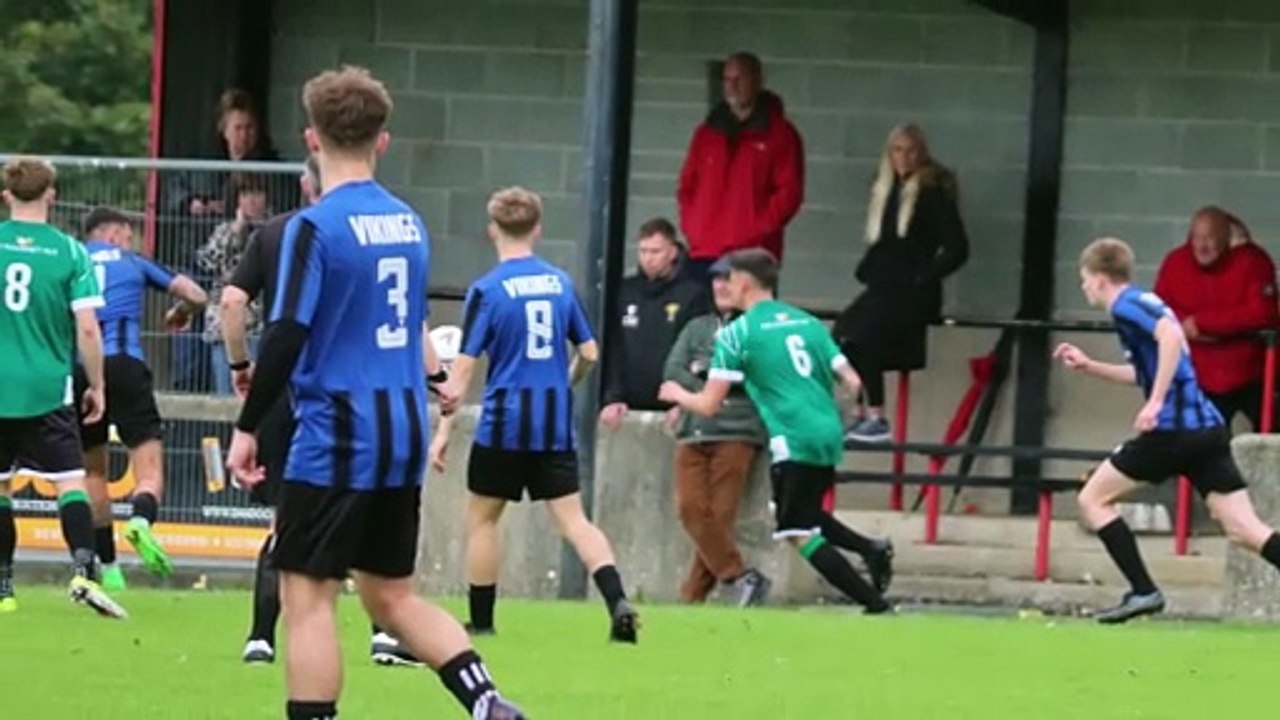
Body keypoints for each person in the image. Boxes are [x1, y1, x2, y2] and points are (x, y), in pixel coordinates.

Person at [225, 66, 525, 720]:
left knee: (307, 599)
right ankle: (489, 704)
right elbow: (406, 327)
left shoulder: (314, 227)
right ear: (382, 141)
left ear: (311, 138)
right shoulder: (409, 224)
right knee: (393, 597)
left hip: (335, 433)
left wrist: (247, 426)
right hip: (400, 433)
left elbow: (287, 333)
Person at [222, 157, 421, 668]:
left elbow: (233, 301)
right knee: (374, 527)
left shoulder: (283, 232)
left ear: (306, 180)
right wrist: (438, 378)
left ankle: (260, 635)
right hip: (376, 407)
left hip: (299, 398)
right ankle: (386, 636)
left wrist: (240, 364)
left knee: (290, 524)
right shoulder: (397, 224)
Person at [431, 186, 640, 643]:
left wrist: (442, 431)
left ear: (492, 231)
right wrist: (567, 383)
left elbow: (463, 371)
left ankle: (482, 622)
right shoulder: (560, 283)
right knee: (573, 520)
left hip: (504, 424)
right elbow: (588, 351)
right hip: (552, 427)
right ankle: (617, 601)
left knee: (483, 518)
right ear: (538, 229)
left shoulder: (487, 291)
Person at [1054, 237, 1280, 624]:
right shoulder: (1145, 301)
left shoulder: (1125, 305)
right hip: (1206, 430)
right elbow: (1150, 367)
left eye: (1085, 279)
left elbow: (1172, 338)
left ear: (1101, 278)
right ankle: (1143, 592)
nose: (1084, 287)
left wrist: (1156, 403)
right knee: (1245, 530)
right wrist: (1090, 366)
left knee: (1092, 499)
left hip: (1173, 432)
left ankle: (1144, 591)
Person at [659, 249, 894, 614]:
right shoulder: (808, 322)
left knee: (797, 531)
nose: (725, 286)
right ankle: (871, 549)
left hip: (792, 436)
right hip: (827, 431)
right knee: (798, 509)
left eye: (731, 279)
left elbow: (708, 405)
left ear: (747, 283)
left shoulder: (737, 334)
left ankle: (875, 604)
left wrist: (677, 394)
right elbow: (852, 382)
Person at [0, 157, 125, 619]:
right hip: (49, 388)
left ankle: (3, 589)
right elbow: (88, 328)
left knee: (1, 488)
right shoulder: (71, 252)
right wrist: (98, 384)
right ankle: (81, 569)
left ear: (6, 196)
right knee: (70, 481)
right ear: (52, 194)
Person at [76, 206, 208, 590]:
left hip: (82, 370)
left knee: (93, 473)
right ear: (114, 234)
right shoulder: (133, 261)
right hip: (127, 366)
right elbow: (197, 295)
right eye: (128, 234)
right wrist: (181, 312)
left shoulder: (72, 261)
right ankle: (140, 520)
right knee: (149, 470)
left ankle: (109, 569)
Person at [837, 124, 969, 443]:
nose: (904, 157)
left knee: (865, 337)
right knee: (841, 335)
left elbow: (957, 247)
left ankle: (877, 416)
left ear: (922, 153)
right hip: (883, 286)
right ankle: (857, 409)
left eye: (910, 150)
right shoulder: (885, 189)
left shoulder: (933, 192)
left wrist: (923, 277)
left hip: (912, 292)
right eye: (897, 150)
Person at [662, 256, 771, 605]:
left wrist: (707, 374)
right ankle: (740, 576)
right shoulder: (698, 327)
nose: (721, 287)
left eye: (728, 280)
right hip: (694, 429)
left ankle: (691, 597)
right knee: (690, 508)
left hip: (738, 430)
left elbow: (754, 377)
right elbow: (672, 368)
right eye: (716, 280)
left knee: (720, 516)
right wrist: (710, 379)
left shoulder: (757, 327)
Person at [677, 51, 804, 282]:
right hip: (704, 250)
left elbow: (789, 194)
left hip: (751, 256)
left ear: (757, 81)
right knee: (701, 318)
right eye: (727, 79)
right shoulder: (706, 134)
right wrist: (693, 228)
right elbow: (687, 186)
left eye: (739, 79)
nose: (731, 86)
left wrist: (755, 231)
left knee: (748, 318)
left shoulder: (780, 135)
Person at [1153, 207, 1279, 431]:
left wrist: (1202, 324)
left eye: (1210, 237)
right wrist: (1183, 325)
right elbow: (1159, 309)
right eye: (1197, 237)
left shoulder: (1253, 261)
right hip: (1200, 376)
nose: (1202, 245)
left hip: (1252, 374)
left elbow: (1262, 313)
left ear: (1226, 238)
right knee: (1205, 451)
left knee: (1271, 440)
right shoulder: (1175, 263)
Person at [599, 217, 710, 430]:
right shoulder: (625, 291)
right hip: (627, 406)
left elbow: (698, 352)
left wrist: (685, 400)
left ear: (672, 252)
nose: (648, 259)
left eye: (656, 251)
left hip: (673, 406)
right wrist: (612, 397)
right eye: (643, 251)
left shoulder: (693, 295)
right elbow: (614, 347)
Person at [198, 174, 271, 395]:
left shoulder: (272, 229)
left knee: (260, 395)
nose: (252, 201)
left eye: (257, 194)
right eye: (245, 194)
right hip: (224, 327)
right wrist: (236, 230)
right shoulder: (224, 230)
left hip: (260, 325)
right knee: (227, 394)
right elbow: (206, 262)